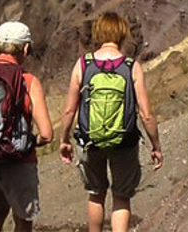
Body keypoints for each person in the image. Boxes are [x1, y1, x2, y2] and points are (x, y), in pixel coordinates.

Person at [59, 12, 163, 232]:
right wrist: (156, 146)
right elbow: (146, 114)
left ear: (98, 33)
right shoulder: (130, 66)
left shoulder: (83, 65)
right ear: (122, 34)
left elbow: (69, 110)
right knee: (121, 196)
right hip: (124, 143)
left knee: (96, 194)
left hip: (89, 141)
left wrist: (64, 139)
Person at [0, 21, 54, 232]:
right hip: (18, 161)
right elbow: (46, 133)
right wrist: (29, 141)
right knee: (23, 219)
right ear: (25, 48)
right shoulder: (28, 81)